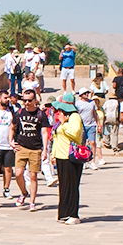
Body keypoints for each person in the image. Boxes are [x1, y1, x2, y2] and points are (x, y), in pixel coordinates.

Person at [52, 92, 85, 224]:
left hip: (70, 156)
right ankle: (63, 213)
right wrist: (53, 155)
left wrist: (64, 124)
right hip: (61, 156)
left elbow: (75, 134)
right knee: (64, 186)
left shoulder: (74, 116)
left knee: (72, 186)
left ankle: (73, 214)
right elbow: (56, 138)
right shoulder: (64, 117)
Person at [12, 89, 47, 210]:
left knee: (33, 176)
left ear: (35, 100)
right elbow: (12, 127)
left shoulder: (40, 114)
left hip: (35, 148)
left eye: (29, 100)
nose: (26, 103)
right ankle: (23, 192)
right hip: (21, 146)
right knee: (18, 174)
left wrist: (45, 149)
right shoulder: (19, 113)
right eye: (24, 100)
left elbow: (44, 131)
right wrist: (10, 141)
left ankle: (32, 202)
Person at [0, 89, 18, 204]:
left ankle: (6, 188)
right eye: (5, 98)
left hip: (9, 144)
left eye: (8, 98)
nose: (8, 100)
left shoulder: (12, 110)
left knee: (8, 168)